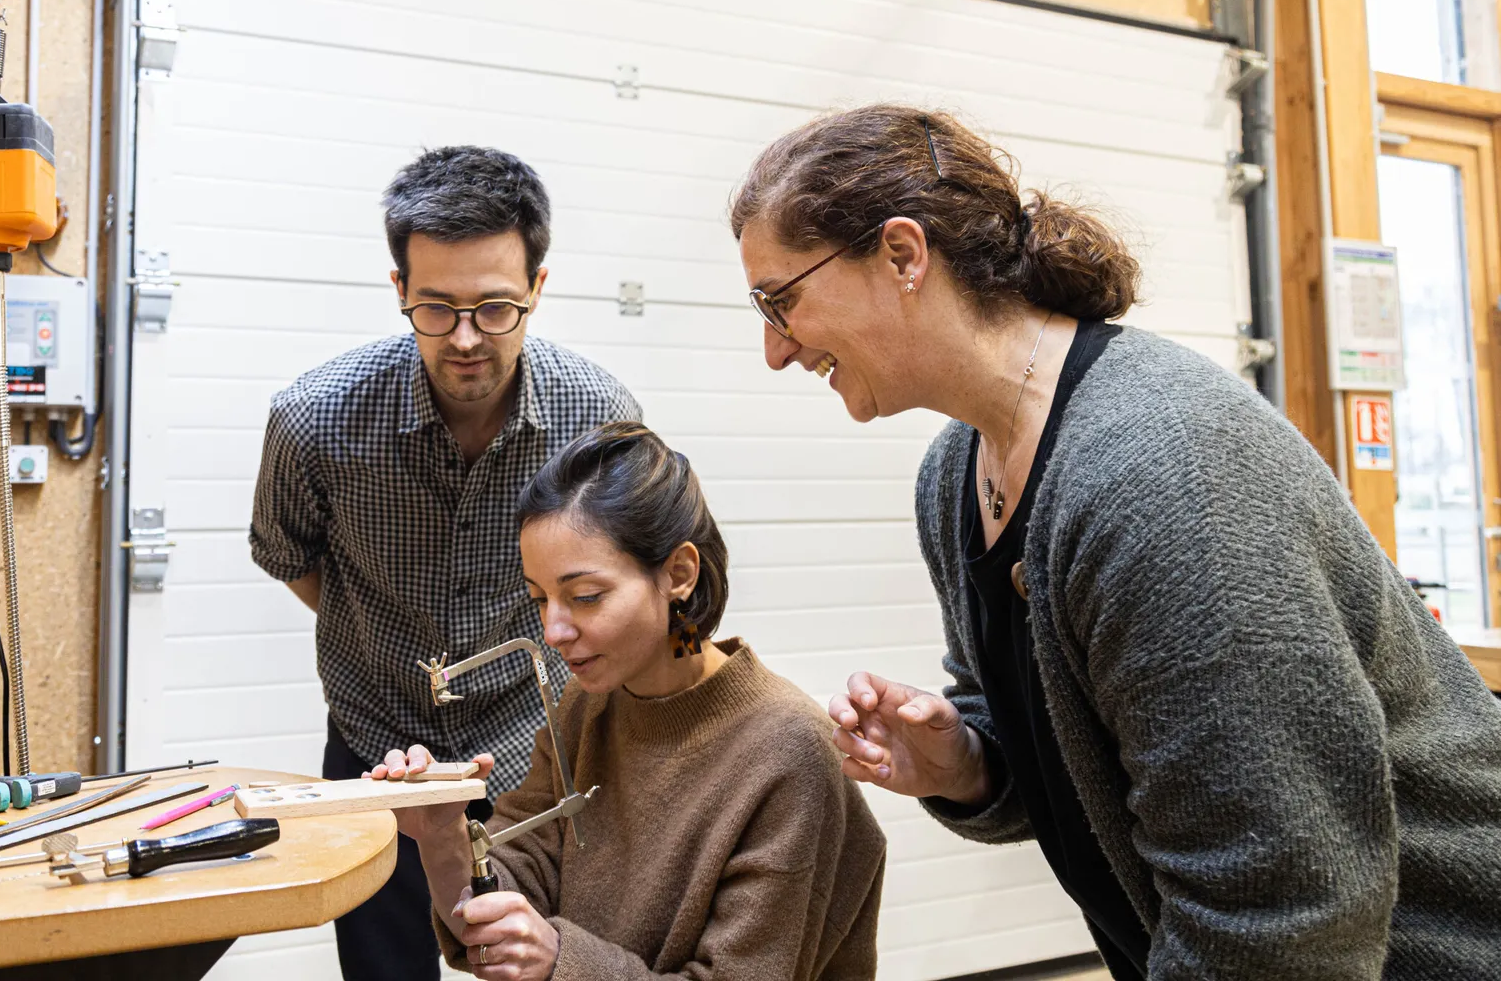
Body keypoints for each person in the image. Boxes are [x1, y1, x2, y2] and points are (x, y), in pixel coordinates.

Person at [730, 103, 1501, 979]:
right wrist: (967, 762)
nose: (774, 350)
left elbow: (1283, 911)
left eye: (781, 300)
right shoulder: (956, 480)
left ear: (903, 255)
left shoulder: (1163, 473)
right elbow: (1088, 762)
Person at [249, 146, 639, 980]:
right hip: (376, 747)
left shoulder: (600, 416)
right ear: (399, 289)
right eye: (435, 309)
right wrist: (384, 638)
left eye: (496, 308)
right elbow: (291, 556)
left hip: (543, 747)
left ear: (538, 287)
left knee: (550, 962)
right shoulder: (314, 420)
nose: (466, 339)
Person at [368, 422, 886, 980]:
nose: (554, 630)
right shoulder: (586, 703)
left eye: (585, 597)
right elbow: (510, 899)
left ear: (679, 574)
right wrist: (443, 836)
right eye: (540, 599)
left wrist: (560, 961)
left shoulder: (788, 754)